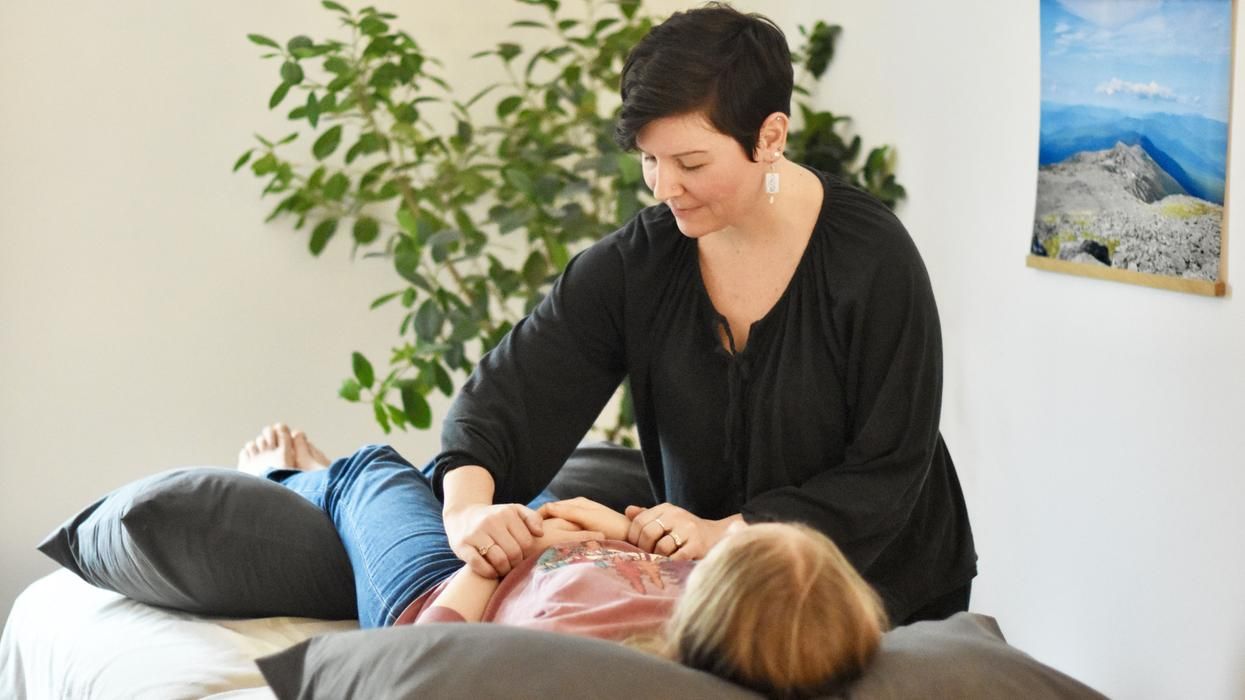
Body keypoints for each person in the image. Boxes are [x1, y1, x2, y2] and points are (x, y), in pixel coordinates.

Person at [429, 3, 976, 625]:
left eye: (690, 164)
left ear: (770, 136)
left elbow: (888, 469)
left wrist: (726, 533)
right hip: (719, 593)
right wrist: (469, 513)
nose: (663, 188)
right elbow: (508, 393)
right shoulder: (641, 263)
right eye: (649, 160)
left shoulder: (871, 260)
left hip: (880, 588)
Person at [239, 423, 888, 698]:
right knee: (537, 474)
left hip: (456, 584)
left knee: (376, 469)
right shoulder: (733, 618)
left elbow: (429, 651)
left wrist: (494, 559)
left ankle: (296, 477)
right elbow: (676, 559)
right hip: (557, 539)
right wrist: (618, 532)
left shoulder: (582, 654)